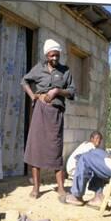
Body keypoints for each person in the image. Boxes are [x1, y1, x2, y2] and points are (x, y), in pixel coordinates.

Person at [21, 38, 76, 200]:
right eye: (52, 55)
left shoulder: (65, 71)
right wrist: (33, 97)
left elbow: (72, 92)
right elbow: (24, 81)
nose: (55, 58)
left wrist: (58, 91)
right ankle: (36, 188)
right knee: (36, 147)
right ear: (46, 55)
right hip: (40, 111)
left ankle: (60, 188)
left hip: (56, 113)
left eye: (57, 55)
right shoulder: (38, 69)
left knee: (55, 148)